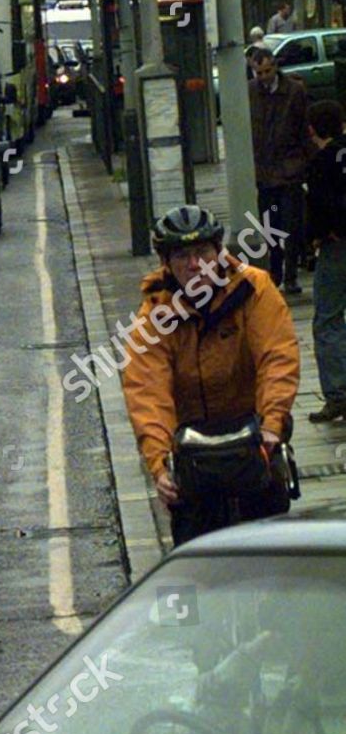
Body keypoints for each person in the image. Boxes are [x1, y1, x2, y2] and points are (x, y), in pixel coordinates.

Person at [122, 204, 300, 546]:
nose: (194, 265)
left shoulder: (254, 288)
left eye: (203, 252)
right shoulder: (155, 315)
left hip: (252, 439)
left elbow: (278, 357)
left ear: (219, 252)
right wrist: (160, 466)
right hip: (194, 450)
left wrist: (272, 426)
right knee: (195, 562)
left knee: (272, 553)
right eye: (182, 256)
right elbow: (146, 391)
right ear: (166, 263)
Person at [249, 47, 310, 294]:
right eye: (259, 72)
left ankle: (291, 274)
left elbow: (303, 128)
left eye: (267, 70)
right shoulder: (251, 92)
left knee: (291, 224)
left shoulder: (294, 92)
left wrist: (303, 165)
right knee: (270, 224)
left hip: (289, 172)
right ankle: (275, 272)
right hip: (265, 174)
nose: (264, 76)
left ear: (275, 66)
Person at [305, 99, 346, 422]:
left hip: (337, 247)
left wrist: (317, 237)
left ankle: (338, 394)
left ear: (312, 130)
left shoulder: (321, 163)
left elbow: (318, 209)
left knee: (328, 319)